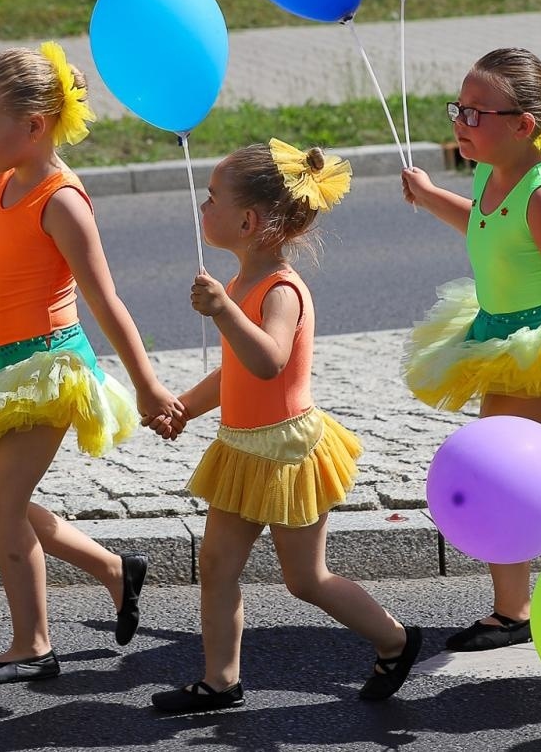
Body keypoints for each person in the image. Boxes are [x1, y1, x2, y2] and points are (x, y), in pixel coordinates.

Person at [0, 43, 181, 684]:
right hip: (7, 367)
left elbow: (105, 300)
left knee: (4, 506)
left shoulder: (61, 200)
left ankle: (33, 646)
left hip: (50, 370)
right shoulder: (6, 180)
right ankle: (114, 569)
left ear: (35, 125)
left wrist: (148, 386)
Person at [150, 141, 420, 714]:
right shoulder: (240, 283)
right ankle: (220, 681)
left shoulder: (280, 289)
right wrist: (185, 407)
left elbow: (269, 360)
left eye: (212, 199)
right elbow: (235, 372)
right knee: (216, 566)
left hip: (288, 451)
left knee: (306, 579)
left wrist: (224, 311)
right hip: (242, 449)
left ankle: (396, 640)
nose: (203, 207)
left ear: (248, 221)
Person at [400, 47, 541, 652]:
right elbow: (485, 225)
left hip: (538, 345)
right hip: (496, 335)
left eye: (475, 113)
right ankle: (513, 605)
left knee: (498, 474)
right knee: (509, 468)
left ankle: (514, 609)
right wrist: (430, 196)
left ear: (523, 125)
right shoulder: (491, 170)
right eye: (459, 109)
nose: (460, 122)